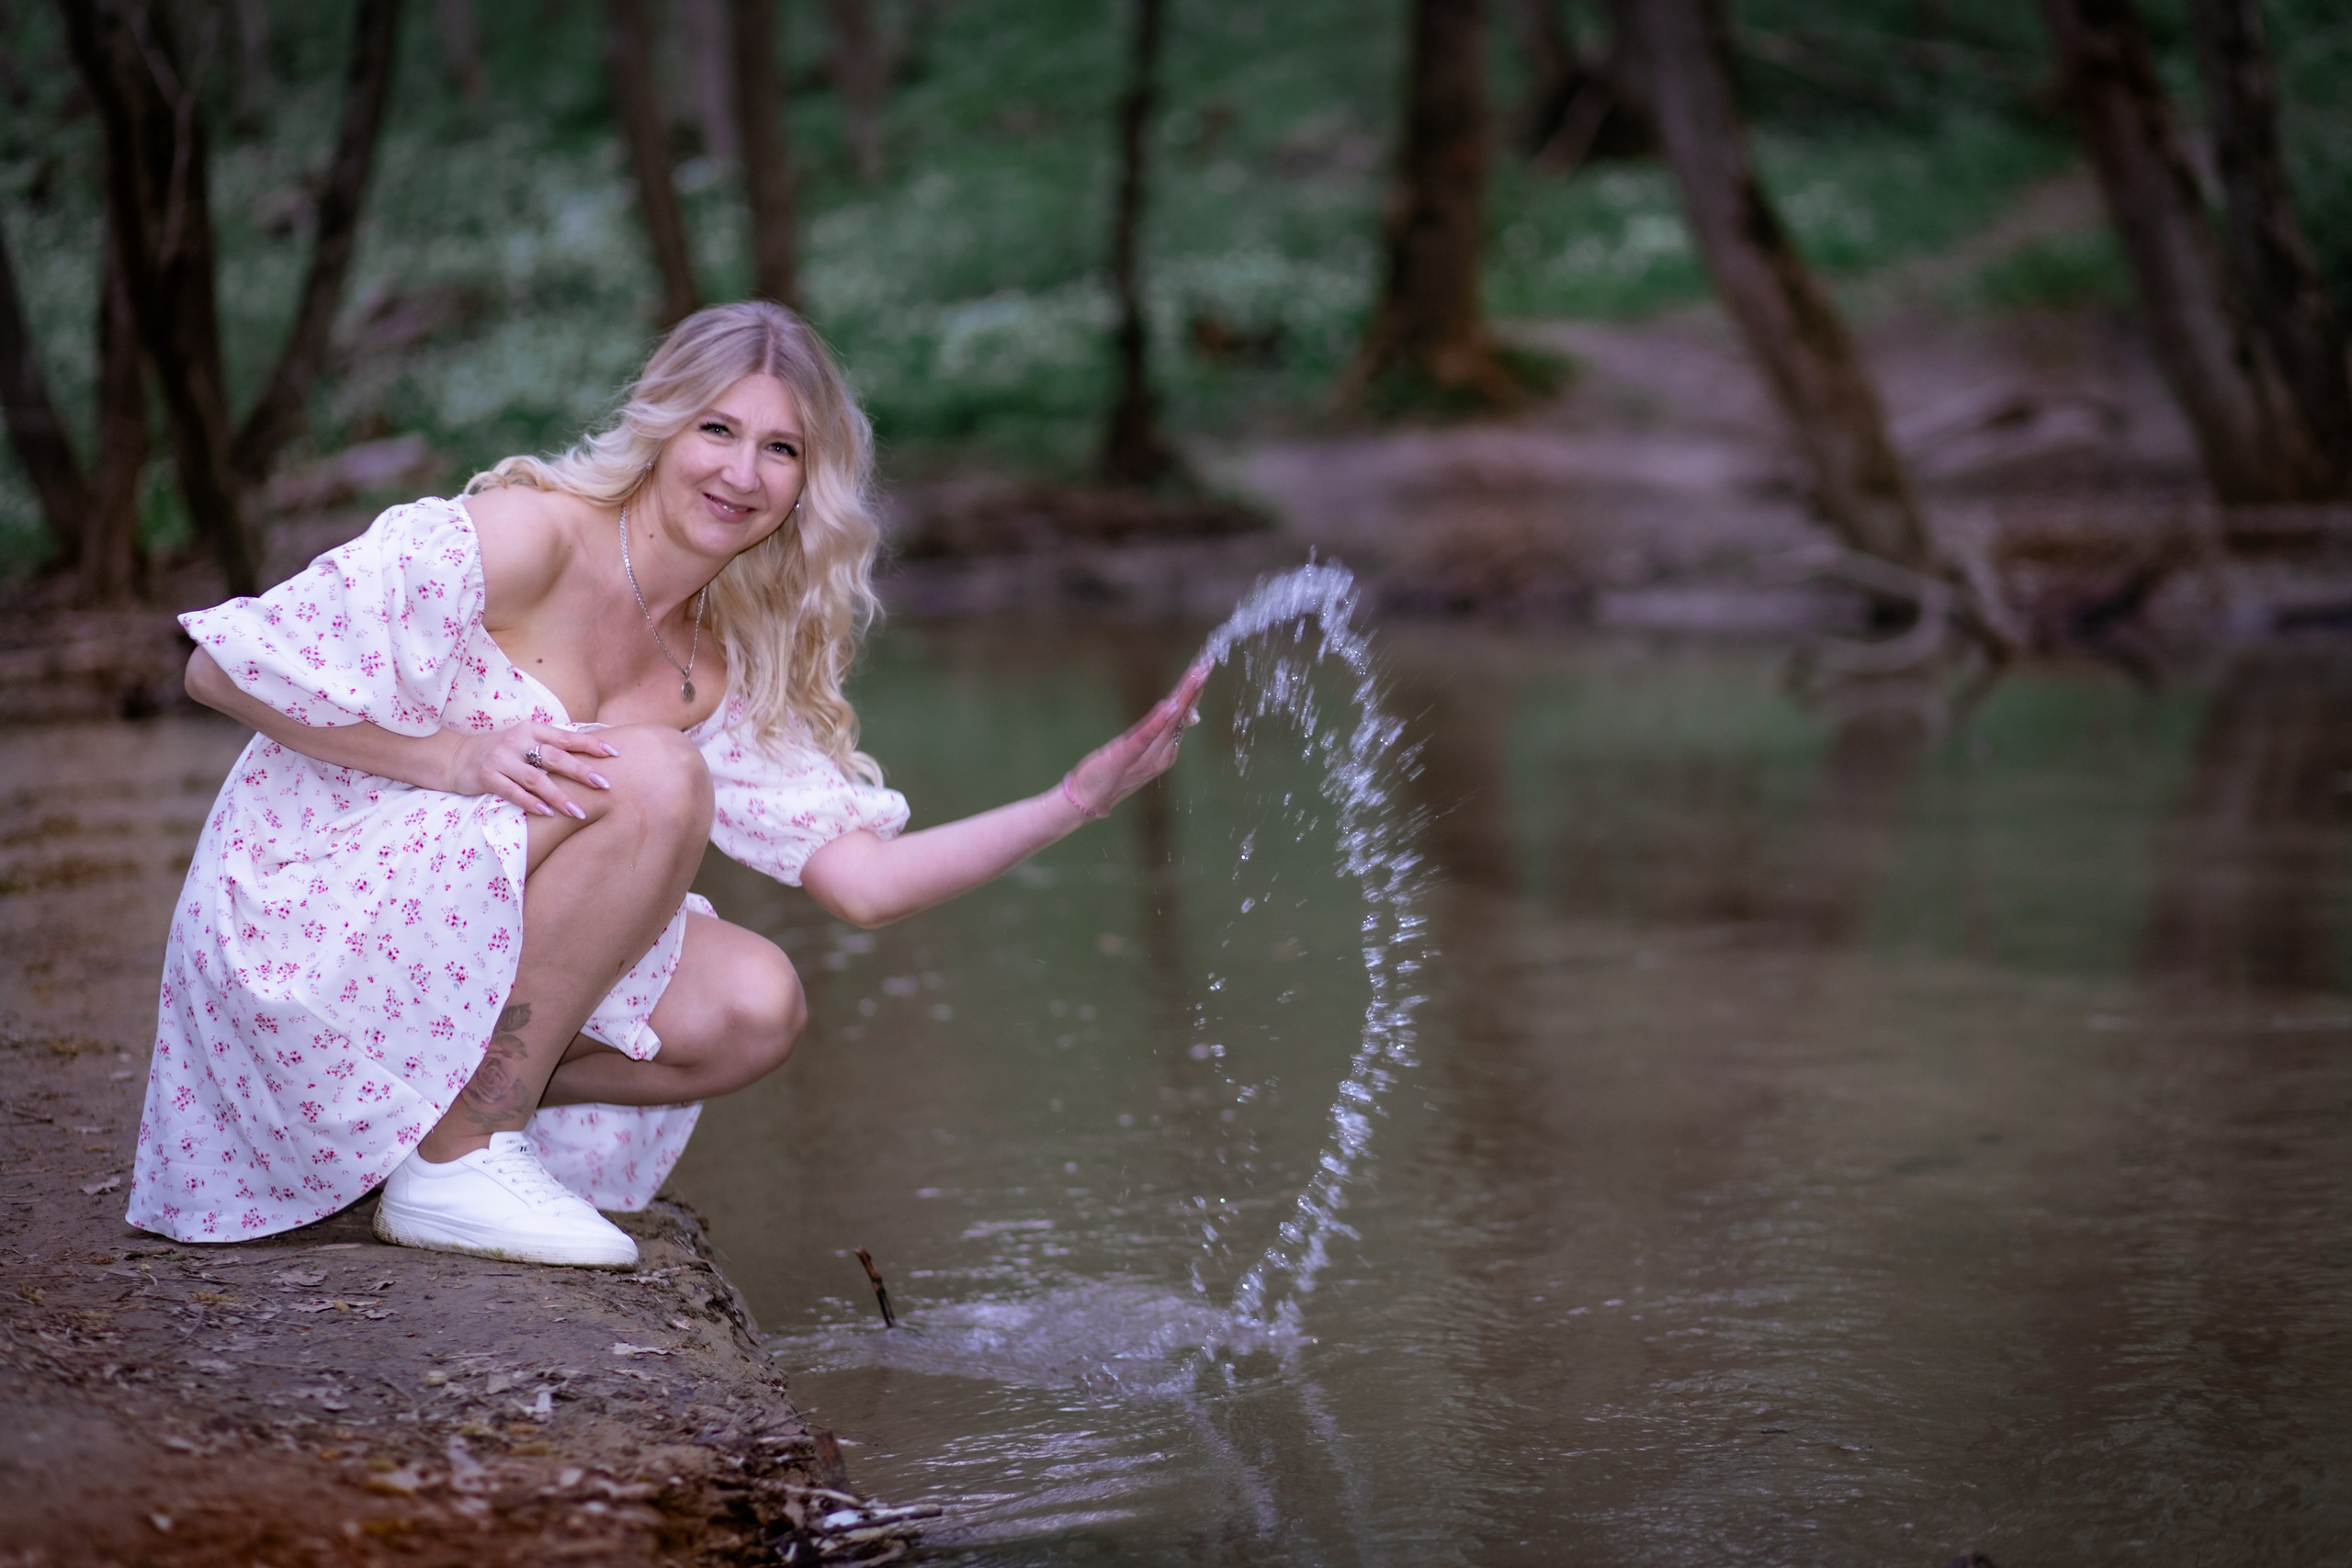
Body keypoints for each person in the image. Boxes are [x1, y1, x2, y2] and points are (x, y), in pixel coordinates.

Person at [134, 300, 1204, 1269]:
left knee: (756, 1004)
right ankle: (461, 1156)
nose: (742, 473)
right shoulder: (530, 536)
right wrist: (452, 759)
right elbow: (218, 667)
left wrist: (1076, 800)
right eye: (718, 430)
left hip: (429, 946)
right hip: (302, 916)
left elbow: (863, 884)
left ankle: (437, 1113)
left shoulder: (719, 663)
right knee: (648, 769)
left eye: (780, 449)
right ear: (661, 427)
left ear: (807, 484)